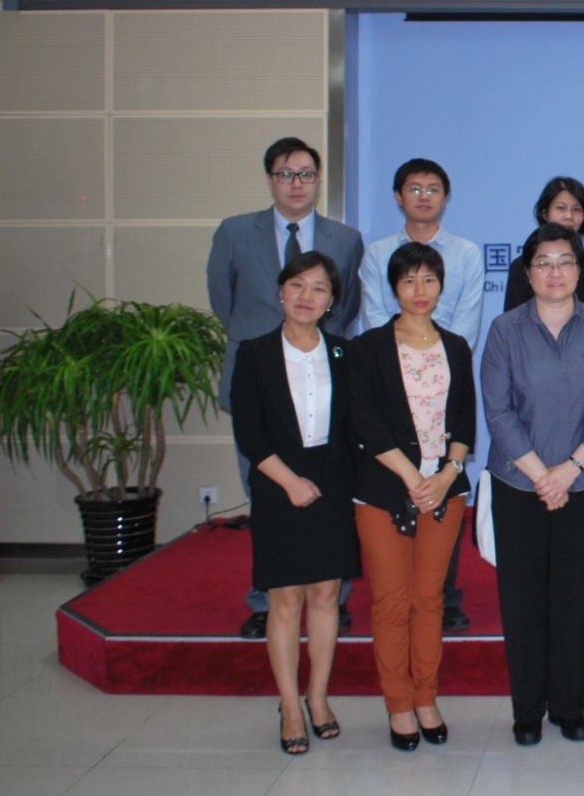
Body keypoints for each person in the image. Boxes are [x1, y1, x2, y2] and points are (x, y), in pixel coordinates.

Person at [208, 136, 363, 639]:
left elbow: (346, 307)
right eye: (285, 174)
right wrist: (265, 354)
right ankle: (268, 598)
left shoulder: (346, 238)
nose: (296, 184)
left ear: (318, 180)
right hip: (261, 380)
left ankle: (332, 596)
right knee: (265, 488)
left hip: (321, 375)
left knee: (333, 489)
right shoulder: (235, 232)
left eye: (306, 174)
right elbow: (223, 302)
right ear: (270, 179)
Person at [481, 222, 584, 747]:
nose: (555, 272)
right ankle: (527, 710)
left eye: (565, 261)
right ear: (528, 273)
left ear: (579, 269)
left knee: (572, 598)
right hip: (517, 485)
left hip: (580, 485)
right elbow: (498, 410)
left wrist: (571, 468)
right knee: (521, 601)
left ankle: (568, 707)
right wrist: (542, 474)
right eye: (543, 263)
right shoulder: (505, 330)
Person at [229, 251, 361, 755]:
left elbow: (354, 426)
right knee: (285, 601)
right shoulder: (254, 353)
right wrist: (289, 481)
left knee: (326, 596)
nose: (307, 296)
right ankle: (289, 706)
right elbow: (249, 431)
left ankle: (318, 697)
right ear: (281, 292)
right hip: (277, 484)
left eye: (319, 288)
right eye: (298, 285)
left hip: (333, 485)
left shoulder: (345, 354)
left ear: (332, 302)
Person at [349, 242, 475, 752]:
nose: (419, 290)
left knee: (429, 599)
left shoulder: (457, 346)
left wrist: (446, 475)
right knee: (391, 601)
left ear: (441, 286)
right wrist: (410, 477)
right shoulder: (368, 347)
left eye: (429, 280)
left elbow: (465, 421)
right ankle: (398, 703)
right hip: (385, 490)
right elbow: (363, 419)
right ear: (393, 287)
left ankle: (426, 697)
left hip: (445, 492)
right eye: (408, 280)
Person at [359, 158, 482, 633]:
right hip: (390, 379)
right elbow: (375, 315)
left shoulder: (466, 253)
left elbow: (466, 322)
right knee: (395, 499)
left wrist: (440, 355)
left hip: (445, 377)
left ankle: (442, 596)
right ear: (398, 196)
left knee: (444, 493)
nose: (424, 196)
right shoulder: (377, 254)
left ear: (445, 197)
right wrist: (399, 357)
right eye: (414, 188)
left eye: (433, 189)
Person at [504, 176, 584, 310]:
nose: (569, 216)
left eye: (576, 209)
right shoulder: (522, 266)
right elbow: (513, 319)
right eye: (561, 208)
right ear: (545, 214)